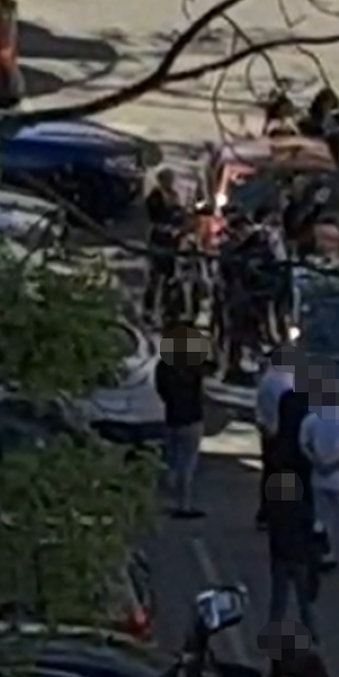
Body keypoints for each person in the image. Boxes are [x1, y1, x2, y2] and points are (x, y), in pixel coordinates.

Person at [300, 379, 339, 576]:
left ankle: (327, 556)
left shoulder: (312, 420)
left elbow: (304, 445)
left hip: (319, 478)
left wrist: (317, 463)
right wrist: (335, 466)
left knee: (322, 519)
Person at [154, 327, 207, 519]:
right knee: (188, 462)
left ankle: (166, 498)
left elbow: (160, 390)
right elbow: (201, 392)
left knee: (171, 459)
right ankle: (184, 503)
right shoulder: (194, 366)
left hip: (171, 416)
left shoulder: (163, 367)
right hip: (192, 418)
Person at [263, 471, 321, 641]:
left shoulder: (274, 509)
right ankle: (312, 632)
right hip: (300, 557)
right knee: (305, 600)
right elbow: (314, 532)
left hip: (280, 557)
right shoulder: (304, 509)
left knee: (279, 599)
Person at [256, 349, 300, 527]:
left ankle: (266, 512)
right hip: (283, 433)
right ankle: (280, 512)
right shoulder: (285, 383)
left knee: (270, 473)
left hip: (268, 431)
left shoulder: (267, 379)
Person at [143, 169, 187, 325]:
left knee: (170, 276)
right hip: (159, 239)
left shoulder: (174, 195)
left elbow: (180, 214)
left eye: (171, 179)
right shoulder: (155, 196)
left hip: (172, 241)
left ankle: (167, 309)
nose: (170, 182)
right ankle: (148, 310)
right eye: (167, 179)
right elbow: (155, 214)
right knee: (155, 277)